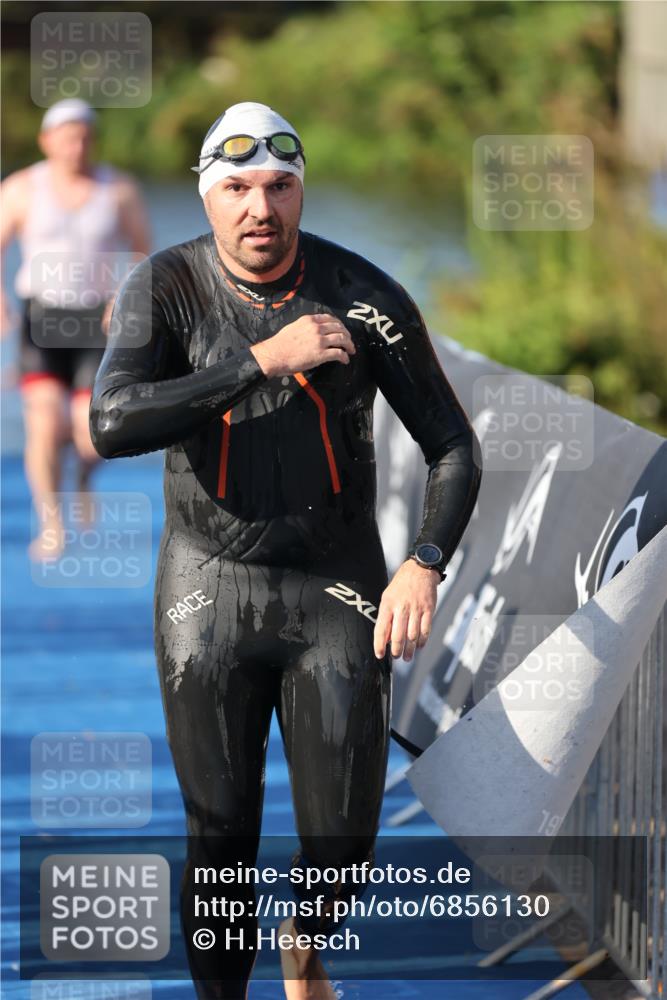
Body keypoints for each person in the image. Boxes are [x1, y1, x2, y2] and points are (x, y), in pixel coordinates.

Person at [89, 102, 482, 1000]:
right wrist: (262, 360)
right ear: (209, 196)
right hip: (206, 584)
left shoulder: (363, 295)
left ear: (299, 193)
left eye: (277, 186)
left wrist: (423, 561)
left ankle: (302, 943)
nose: (258, 207)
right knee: (218, 830)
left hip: (333, 586)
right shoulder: (167, 287)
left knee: (342, 843)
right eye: (236, 188)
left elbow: (452, 445)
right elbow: (110, 424)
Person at [0, 98, 151, 559]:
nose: (77, 146)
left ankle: (82, 479)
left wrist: (125, 302)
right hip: (42, 319)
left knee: (92, 438)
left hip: (97, 322)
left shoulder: (118, 190)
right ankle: (50, 523)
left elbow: (144, 252)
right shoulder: (23, 188)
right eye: (67, 136)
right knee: (44, 423)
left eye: (85, 136)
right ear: (48, 141)